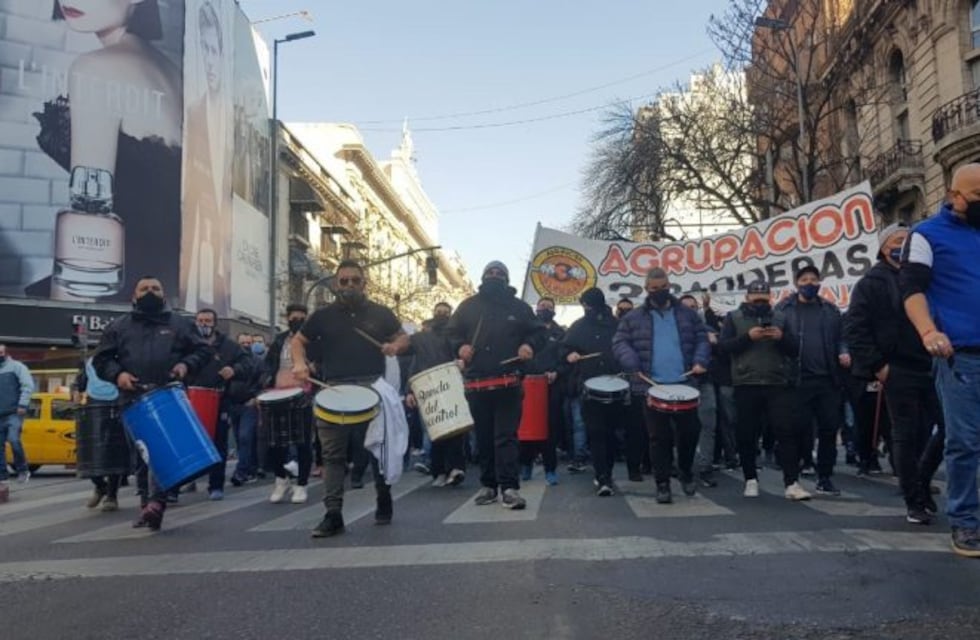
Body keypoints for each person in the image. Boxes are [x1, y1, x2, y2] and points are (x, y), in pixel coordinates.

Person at [34, 0, 183, 300]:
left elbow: (91, 209)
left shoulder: (96, 68)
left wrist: (61, 330)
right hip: (166, 279)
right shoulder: (175, 74)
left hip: (111, 282)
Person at [290, 261, 409, 538]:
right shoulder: (322, 316)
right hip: (333, 390)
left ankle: (383, 496)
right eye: (344, 281)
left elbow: (403, 338)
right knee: (332, 455)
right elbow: (298, 342)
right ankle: (333, 514)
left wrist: (395, 346)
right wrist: (299, 364)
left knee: (376, 450)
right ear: (335, 284)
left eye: (355, 280)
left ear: (364, 283)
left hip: (371, 387)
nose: (349, 285)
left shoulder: (381, 313)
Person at [901, 163, 980, 556]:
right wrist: (928, 332)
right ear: (954, 196)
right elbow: (912, 289)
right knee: (964, 441)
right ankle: (965, 522)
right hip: (961, 357)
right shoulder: (926, 235)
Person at [92, 276, 211, 531]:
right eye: (144, 288)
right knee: (141, 454)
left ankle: (156, 503)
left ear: (163, 294)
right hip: (132, 399)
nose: (150, 292)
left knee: (161, 451)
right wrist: (118, 375)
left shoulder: (180, 324)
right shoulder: (118, 326)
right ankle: (146, 503)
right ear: (134, 295)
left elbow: (202, 351)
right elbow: (101, 360)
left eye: (155, 288)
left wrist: (185, 365)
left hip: (168, 395)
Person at [845, 222, 942, 525]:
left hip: (933, 363)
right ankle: (913, 500)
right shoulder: (870, 284)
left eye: (907, 240)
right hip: (897, 367)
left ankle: (921, 481)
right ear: (883, 247)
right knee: (905, 434)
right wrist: (878, 365)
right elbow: (855, 328)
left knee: (947, 429)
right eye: (896, 241)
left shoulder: (925, 275)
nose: (902, 246)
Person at [448, 261, 543, 510]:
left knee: (506, 436)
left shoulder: (519, 308)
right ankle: (488, 485)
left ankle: (509, 487)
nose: (494, 275)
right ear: (482, 277)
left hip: (509, 381)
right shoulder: (468, 307)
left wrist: (529, 345)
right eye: (490, 273)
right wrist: (460, 346)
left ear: (507, 278)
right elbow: (450, 333)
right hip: (477, 382)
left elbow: (539, 332)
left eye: (500, 273)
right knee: (484, 437)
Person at [613, 268, 710, 504]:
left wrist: (700, 361)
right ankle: (662, 483)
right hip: (652, 386)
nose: (659, 292)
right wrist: (631, 363)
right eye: (654, 289)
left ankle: (685, 471)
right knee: (659, 438)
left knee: (690, 432)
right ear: (647, 290)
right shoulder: (633, 317)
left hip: (685, 383)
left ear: (670, 286)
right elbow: (619, 342)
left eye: (663, 287)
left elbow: (701, 338)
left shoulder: (687, 314)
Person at [720, 280, 809, 501]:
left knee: (785, 431)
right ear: (747, 298)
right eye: (756, 298)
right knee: (747, 433)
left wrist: (781, 338)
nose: (760, 302)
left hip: (776, 382)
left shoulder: (781, 317)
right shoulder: (733, 318)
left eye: (764, 298)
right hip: (745, 383)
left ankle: (791, 482)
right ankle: (750, 478)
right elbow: (723, 348)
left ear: (770, 297)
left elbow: (796, 349)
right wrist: (747, 338)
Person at [777, 266, 850, 496]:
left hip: (827, 379)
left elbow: (841, 337)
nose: (810, 283)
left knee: (829, 428)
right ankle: (794, 475)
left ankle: (825, 476)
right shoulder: (783, 309)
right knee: (798, 429)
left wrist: (844, 351)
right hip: (797, 379)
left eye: (814, 279)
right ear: (796, 283)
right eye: (805, 279)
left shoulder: (829, 310)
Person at [185, 309, 252, 500]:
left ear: (215, 323)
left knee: (219, 444)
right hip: (189, 398)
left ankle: (216, 486)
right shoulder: (187, 343)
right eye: (200, 320)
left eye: (208, 320)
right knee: (187, 442)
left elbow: (248, 362)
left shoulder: (229, 346)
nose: (204, 324)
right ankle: (181, 484)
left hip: (219, 398)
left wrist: (234, 369)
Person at [562, 288, 623, 496]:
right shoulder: (578, 326)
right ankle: (602, 475)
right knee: (596, 431)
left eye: (587, 305)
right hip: (588, 385)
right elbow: (564, 348)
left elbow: (625, 347)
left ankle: (607, 472)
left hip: (615, 384)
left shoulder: (617, 325)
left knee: (611, 432)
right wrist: (570, 354)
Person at [406, 303, 466, 488]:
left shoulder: (457, 337)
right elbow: (415, 365)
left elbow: (467, 356)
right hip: (429, 388)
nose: (442, 315)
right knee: (436, 430)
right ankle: (438, 470)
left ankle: (455, 468)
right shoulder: (422, 339)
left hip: (452, 386)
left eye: (446, 313)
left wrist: (463, 361)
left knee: (456, 429)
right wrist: (410, 390)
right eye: (439, 312)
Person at [263, 304, 314, 503]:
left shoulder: (312, 341)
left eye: (302, 318)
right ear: (287, 318)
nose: (298, 321)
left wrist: (311, 367)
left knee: (303, 443)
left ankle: (301, 485)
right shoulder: (279, 340)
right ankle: (281, 479)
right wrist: (266, 380)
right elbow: (268, 365)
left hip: (302, 395)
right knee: (275, 443)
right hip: (277, 395)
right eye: (294, 317)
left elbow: (320, 363)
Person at [520, 297, 564, 486]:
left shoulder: (560, 333)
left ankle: (550, 469)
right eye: (542, 306)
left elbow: (565, 359)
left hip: (550, 386)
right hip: (527, 385)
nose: (545, 309)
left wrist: (557, 372)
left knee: (550, 428)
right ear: (536, 309)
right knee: (526, 427)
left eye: (549, 306)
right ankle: (525, 464)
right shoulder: (526, 332)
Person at [75, 357, 128, 511]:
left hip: (116, 404)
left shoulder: (121, 359)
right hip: (94, 406)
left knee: (113, 453)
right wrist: (76, 390)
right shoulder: (90, 362)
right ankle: (100, 485)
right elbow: (81, 381)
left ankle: (112, 495)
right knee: (90, 453)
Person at [679, 294, 719, 488]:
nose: (690, 311)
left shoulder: (708, 330)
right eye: (685, 307)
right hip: (679, 384)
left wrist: (715, 343)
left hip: (704, 383)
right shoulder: (670, 332)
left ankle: (705, 468)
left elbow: (722, 354)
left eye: (693, 307)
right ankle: (679, 466)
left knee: (708, 426)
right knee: (678, 428)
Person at [229, 337, 265, 486]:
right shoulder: (231, 359)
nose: (245, 346)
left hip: (249, 403)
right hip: (233, 404)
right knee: (240, 438)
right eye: (242, 343)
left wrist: (256, 397)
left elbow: (263, 380)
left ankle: (241, 471)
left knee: (245, 437)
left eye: (248, 343)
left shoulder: (257, 361)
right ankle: (251, 468)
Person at [0, 344, 35, 485]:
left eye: (0, 352)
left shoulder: (17, 367)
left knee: (14, 440)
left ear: (6, 353)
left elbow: (28, 385)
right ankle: (2, 476)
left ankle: (23, 470)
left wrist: (22, 404)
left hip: (14, 412)